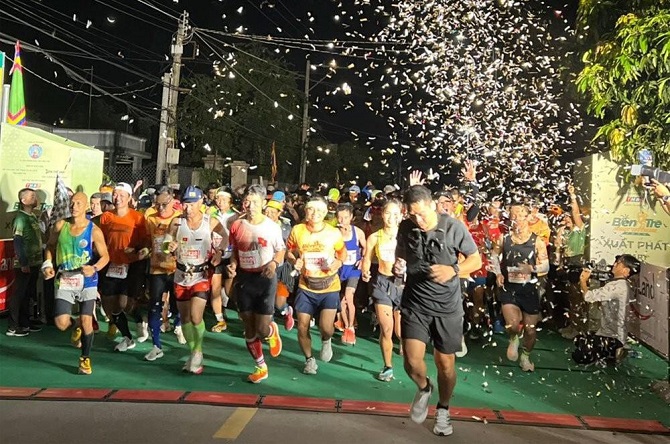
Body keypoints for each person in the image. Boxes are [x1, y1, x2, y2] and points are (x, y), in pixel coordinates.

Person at [394, 185, 481, 436]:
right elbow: (402, 256)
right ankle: (424, 388)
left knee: (445, 363)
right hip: (415, 303)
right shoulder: (406, 227)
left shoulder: (454, 227)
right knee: (411, 360)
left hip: (447, 307)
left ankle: (443, 408)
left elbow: (476, 260)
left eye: (421, 214)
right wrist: (399, 266)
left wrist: (453, 270)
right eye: (412, 215)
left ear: (432, 205)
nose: (418, 220)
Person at [42, 192, 110, 374]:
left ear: (86, 206)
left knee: (87, 320)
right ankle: (75, 325)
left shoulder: (94, 230)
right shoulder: (60, 225)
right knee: (61, 323)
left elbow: (105, 256)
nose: (74, 207)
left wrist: (94, 268)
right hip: (65, 279)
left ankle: (85, 359)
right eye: (72, 203)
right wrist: (47, 264)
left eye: (79, 203)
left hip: (87, 280)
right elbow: (50, 246)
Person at [164, 186, 226, 374]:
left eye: (192, 204)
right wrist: (169, 246)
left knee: (195, 316)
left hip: (200, 274)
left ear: (200, 203)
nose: (188, 208)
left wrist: (220, 252)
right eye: (185, 204)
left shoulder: (209, 221)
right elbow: (165, 243)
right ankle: (193, 351)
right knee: (184, 318)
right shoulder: (177, 222)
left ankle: (198, 351)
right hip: (181, 274)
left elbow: (225, 236)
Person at [227, 185, 286, 383]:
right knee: (247, 323)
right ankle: (261, 366)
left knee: (261, 328)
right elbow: (234, 249)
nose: (250, 206)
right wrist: (233, 265)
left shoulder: (271, 227)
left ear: (263, 204)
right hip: (244, 278)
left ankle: (271, 331)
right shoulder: (236, 225)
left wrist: (274, 263)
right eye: (247, 201)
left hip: (265, 278)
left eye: (254, 202)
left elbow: (281, 250)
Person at [286, 195, 347, 375]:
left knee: (326, 327)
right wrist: (294, 260)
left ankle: (326, 340)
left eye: (319, 210)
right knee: (302, 326)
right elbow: (289, 251)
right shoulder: (297, 230)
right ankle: (309, 359)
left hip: (329, 286)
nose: (315, 213)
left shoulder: (333, 233)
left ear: (325, 212)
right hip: (306, 285)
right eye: (311, 209)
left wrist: (338, 263)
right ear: (305, 210)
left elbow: (342, 253)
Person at [491, 204, 550, 373]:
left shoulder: (537, 241)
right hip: (509, 288)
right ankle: (514, 337)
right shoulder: (503, 238)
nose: (516, 219)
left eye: (520, 216)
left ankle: (525, 356)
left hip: (529, 290)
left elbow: (546, 266)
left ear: (527, 218)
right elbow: (494, 256)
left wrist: (531, 268)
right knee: (512, 324)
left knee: (530, 331)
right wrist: (498, 273)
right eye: (513, 216)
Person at [98, 182, 150, 351]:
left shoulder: (138, 218)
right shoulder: (106, 217)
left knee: (125, 305)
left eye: (121, 195)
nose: (117, 198)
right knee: (109, 305)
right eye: (115, 194)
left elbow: (146, 242)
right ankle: (127, 337)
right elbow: (100, 239)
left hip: (131, 265)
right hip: (111, 264)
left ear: (129, 198)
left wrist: (139, 251)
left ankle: (140, 319)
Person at [572, 254, 640, 365]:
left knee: (580, 356)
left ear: (626, 271)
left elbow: (588, 297)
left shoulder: (618, 286)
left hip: (612, 337)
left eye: (618, 263)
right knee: (580, 340)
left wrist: (583, 281)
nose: (614, 264)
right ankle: (613, 353)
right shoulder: (621, 284)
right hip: (609, 334)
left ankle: (615, 353)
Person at [362, 199, 403, 381]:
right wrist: (365, 271)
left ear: (401, 216)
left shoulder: (407, 236)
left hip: (403, 285)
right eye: (388, 213)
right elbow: (367, 258)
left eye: (395, 214)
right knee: (387, 329)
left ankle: (405, 345)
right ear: (382, 214)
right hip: (382, 283)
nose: (391, 218)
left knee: (400, 332)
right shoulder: (374, 237)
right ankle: (388, 366)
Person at [143, 186, 184, 361]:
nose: (160, 208)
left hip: (176, 269)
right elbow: (147, 240)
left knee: (178, 306)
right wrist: (144, 250)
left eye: (164, 204)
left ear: (172, 199)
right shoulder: (150, 217)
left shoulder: (180, 217)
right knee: (154, 305)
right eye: (157, 204)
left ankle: (179, 324)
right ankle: (156, 345)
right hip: (157, 268)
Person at [7, 188, 43, 337]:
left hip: (35, 262)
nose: (35, 198)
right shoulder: (20, 218)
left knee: (28, 294)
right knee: (19, 294)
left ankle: (25, 323)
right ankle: (13, 326)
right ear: (23, 201)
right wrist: (23, 263)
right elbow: (18, 241)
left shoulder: (33, 216)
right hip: (25, 263)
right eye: (32, 196)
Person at [263, 197, 296, 331]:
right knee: (266, 299)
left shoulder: (286, 227)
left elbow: (291, 247)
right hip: (265, 266)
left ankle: (286, 311)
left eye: (272, 212)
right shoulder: (260, 225)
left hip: (282, 268)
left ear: (279, 213)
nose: (269, 215)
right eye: (267, 212)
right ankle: (267, 326)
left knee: (279, 303)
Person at [336, 203, 365, 345]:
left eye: (346, 217)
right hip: (339, 269)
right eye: (340, 217)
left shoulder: (358, 232)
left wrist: (363, 259)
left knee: (349, 296)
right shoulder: (334, 233)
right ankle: (345, 324)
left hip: (353, 269)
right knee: (340, 300)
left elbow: (366, 247)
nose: (343, 221)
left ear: (351, 217)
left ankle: (350, 328)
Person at [209, 186, 237, 333]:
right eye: (218, 199)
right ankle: (220, 320)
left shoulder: (236, 216)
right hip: (215, 255)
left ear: (230, 201)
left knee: (230, 291)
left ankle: (247, 317)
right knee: (215, 289)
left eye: (224, 199)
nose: (220, 202)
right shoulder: (210, 214)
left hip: (231, 256)